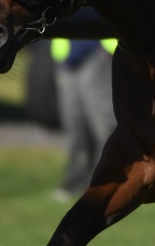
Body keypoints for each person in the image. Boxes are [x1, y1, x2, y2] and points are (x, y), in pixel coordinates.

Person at [51, 37, 117, 201]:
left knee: (103, 127)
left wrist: (107, 51)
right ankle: (74, 183)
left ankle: (103, 185)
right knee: (74, 127)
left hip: (99, 53)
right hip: (66, 58)